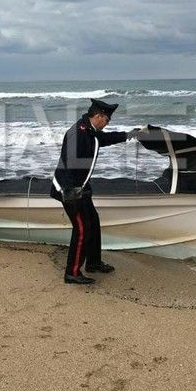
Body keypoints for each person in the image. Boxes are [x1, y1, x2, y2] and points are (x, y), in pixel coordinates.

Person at [51, 98, 139, 284]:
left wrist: (128, 135)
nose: (107, 124)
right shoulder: (78, 133)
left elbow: (105, 139)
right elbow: (69, 166)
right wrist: (71, 194)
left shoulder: (90, 130)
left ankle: (93, 262)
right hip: (69, 189)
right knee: (82, 228)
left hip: (80, 187)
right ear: (98, 116)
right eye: (106, 120)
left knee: (93, 221)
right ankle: (72, 273)